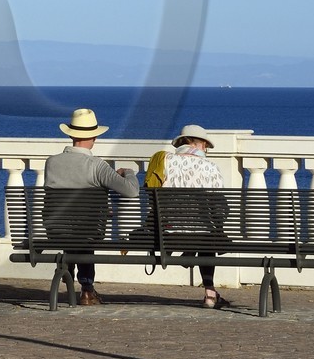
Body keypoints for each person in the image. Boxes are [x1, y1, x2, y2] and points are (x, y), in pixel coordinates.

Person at [43, 107, 139, 306]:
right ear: (94, 137)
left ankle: (67, 266)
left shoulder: (51, 163)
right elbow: (131, 191)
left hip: (56, 230)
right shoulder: (96, 165)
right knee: (86, 231)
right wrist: (128, 172)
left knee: (74, 226)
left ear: (70, 134)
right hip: (88, 232)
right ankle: (87, 290)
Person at [147, 125, 230, 309]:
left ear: (182, 142)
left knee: (201, 231)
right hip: (203, 238)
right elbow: (220, 209)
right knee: (209, 234)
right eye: (206, 146)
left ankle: (190, 251)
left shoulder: (166, 162)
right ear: (202, 144)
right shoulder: (210, 167)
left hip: (168, 235)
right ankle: (209, 293)